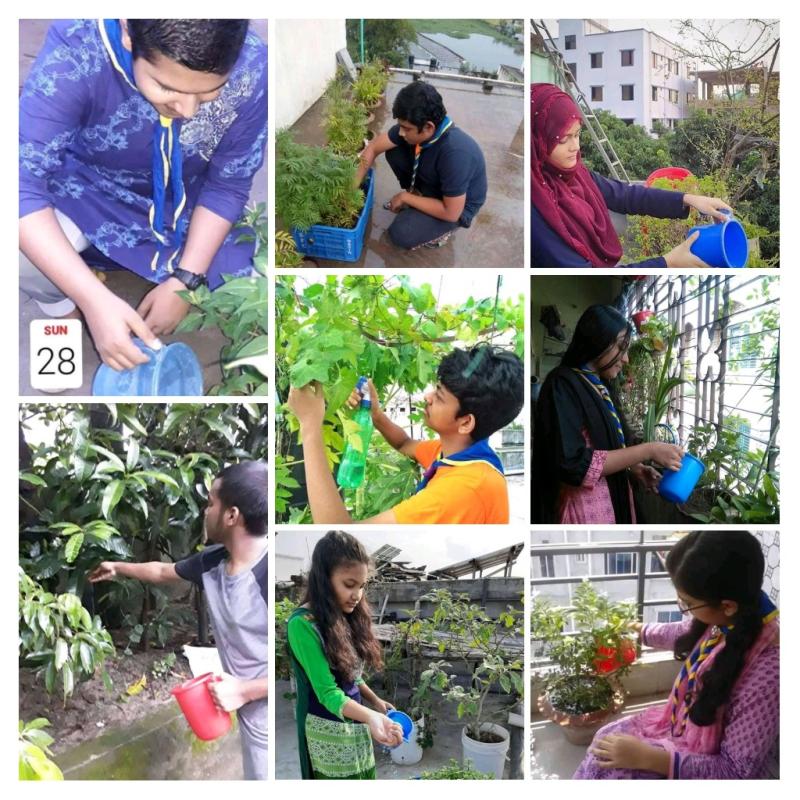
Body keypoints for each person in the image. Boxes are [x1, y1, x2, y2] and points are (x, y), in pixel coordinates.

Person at [20, 19, 267, 371]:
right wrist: (92, 302)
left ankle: (94, 269)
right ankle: (65, 306)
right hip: (86, 193)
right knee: (19, 246)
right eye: (167, 87)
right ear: (126, 31)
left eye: (210, 91)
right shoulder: (79, 50)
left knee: (258, 290)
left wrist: (186, 280)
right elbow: (19, 183)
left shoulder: (254, 69)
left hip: (182, 205)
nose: (188, 110)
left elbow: (227, 185)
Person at [88, 460, 268, 780]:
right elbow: (161, 571)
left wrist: (246, 690)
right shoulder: (213, 561)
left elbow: (303, 666)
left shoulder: (269, 576)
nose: (204, 511)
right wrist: (117, 567)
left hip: (268, 718)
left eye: (211, 502)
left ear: (232, 515)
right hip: (248, 714)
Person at [575, 530, 779, 780]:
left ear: (727, 606)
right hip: (684, 729)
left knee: (611, 770)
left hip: (706, 761)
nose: (685, 609)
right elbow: (683, 631)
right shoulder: (732, 615)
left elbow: (735, 771)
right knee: (605, 739)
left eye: (687, 602)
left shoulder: (769, 676)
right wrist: (640, 631)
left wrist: (649, 758)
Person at [287, 344, 524, 524]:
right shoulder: (457, 454)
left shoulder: (459, 492)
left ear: (465, 422)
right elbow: (404, 442)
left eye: (439, 396)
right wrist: (376, 413)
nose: (427, 397)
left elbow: (338, 528)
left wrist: (309, 425)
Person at [531, 83, 732, 268]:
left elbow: (625, 195)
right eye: (564, 139)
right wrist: (667, 263)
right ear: (538, 140)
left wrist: (689, 199)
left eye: (577, 135)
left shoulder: (576, 175)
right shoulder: (537, 213)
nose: (575, 147)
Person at [533, 305, 683, 523]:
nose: (626, 359)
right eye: (621, 349)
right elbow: (574, 464)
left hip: (617, 499)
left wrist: (634, 468)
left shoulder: (599, 385)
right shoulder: (562, 384)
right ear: (597, 341)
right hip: (586, 511)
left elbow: (602, 449)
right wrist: (648, 450)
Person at [287, 531, 403, 779]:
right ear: (323, 580)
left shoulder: (344, 615)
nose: (357, 595)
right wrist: (371, 717)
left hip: (355, 719)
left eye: (361, 586)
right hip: (325, 727)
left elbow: (349, 672)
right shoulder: (303, 625)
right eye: (349, 585)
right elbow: (328, 692)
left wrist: (375, 703)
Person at [355, 80, 487, 250]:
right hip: (436, 186)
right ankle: (420, 195)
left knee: (401, 233)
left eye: (406, 128)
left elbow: (451, 211)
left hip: (457, 206)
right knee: (394, 151)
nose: (401, 132)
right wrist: (352, 187)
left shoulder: (456, 153)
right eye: (400, 126)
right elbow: (373, 148)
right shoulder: (415, 127)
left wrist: (405, 197)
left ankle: (443, 230)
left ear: (428, 127)